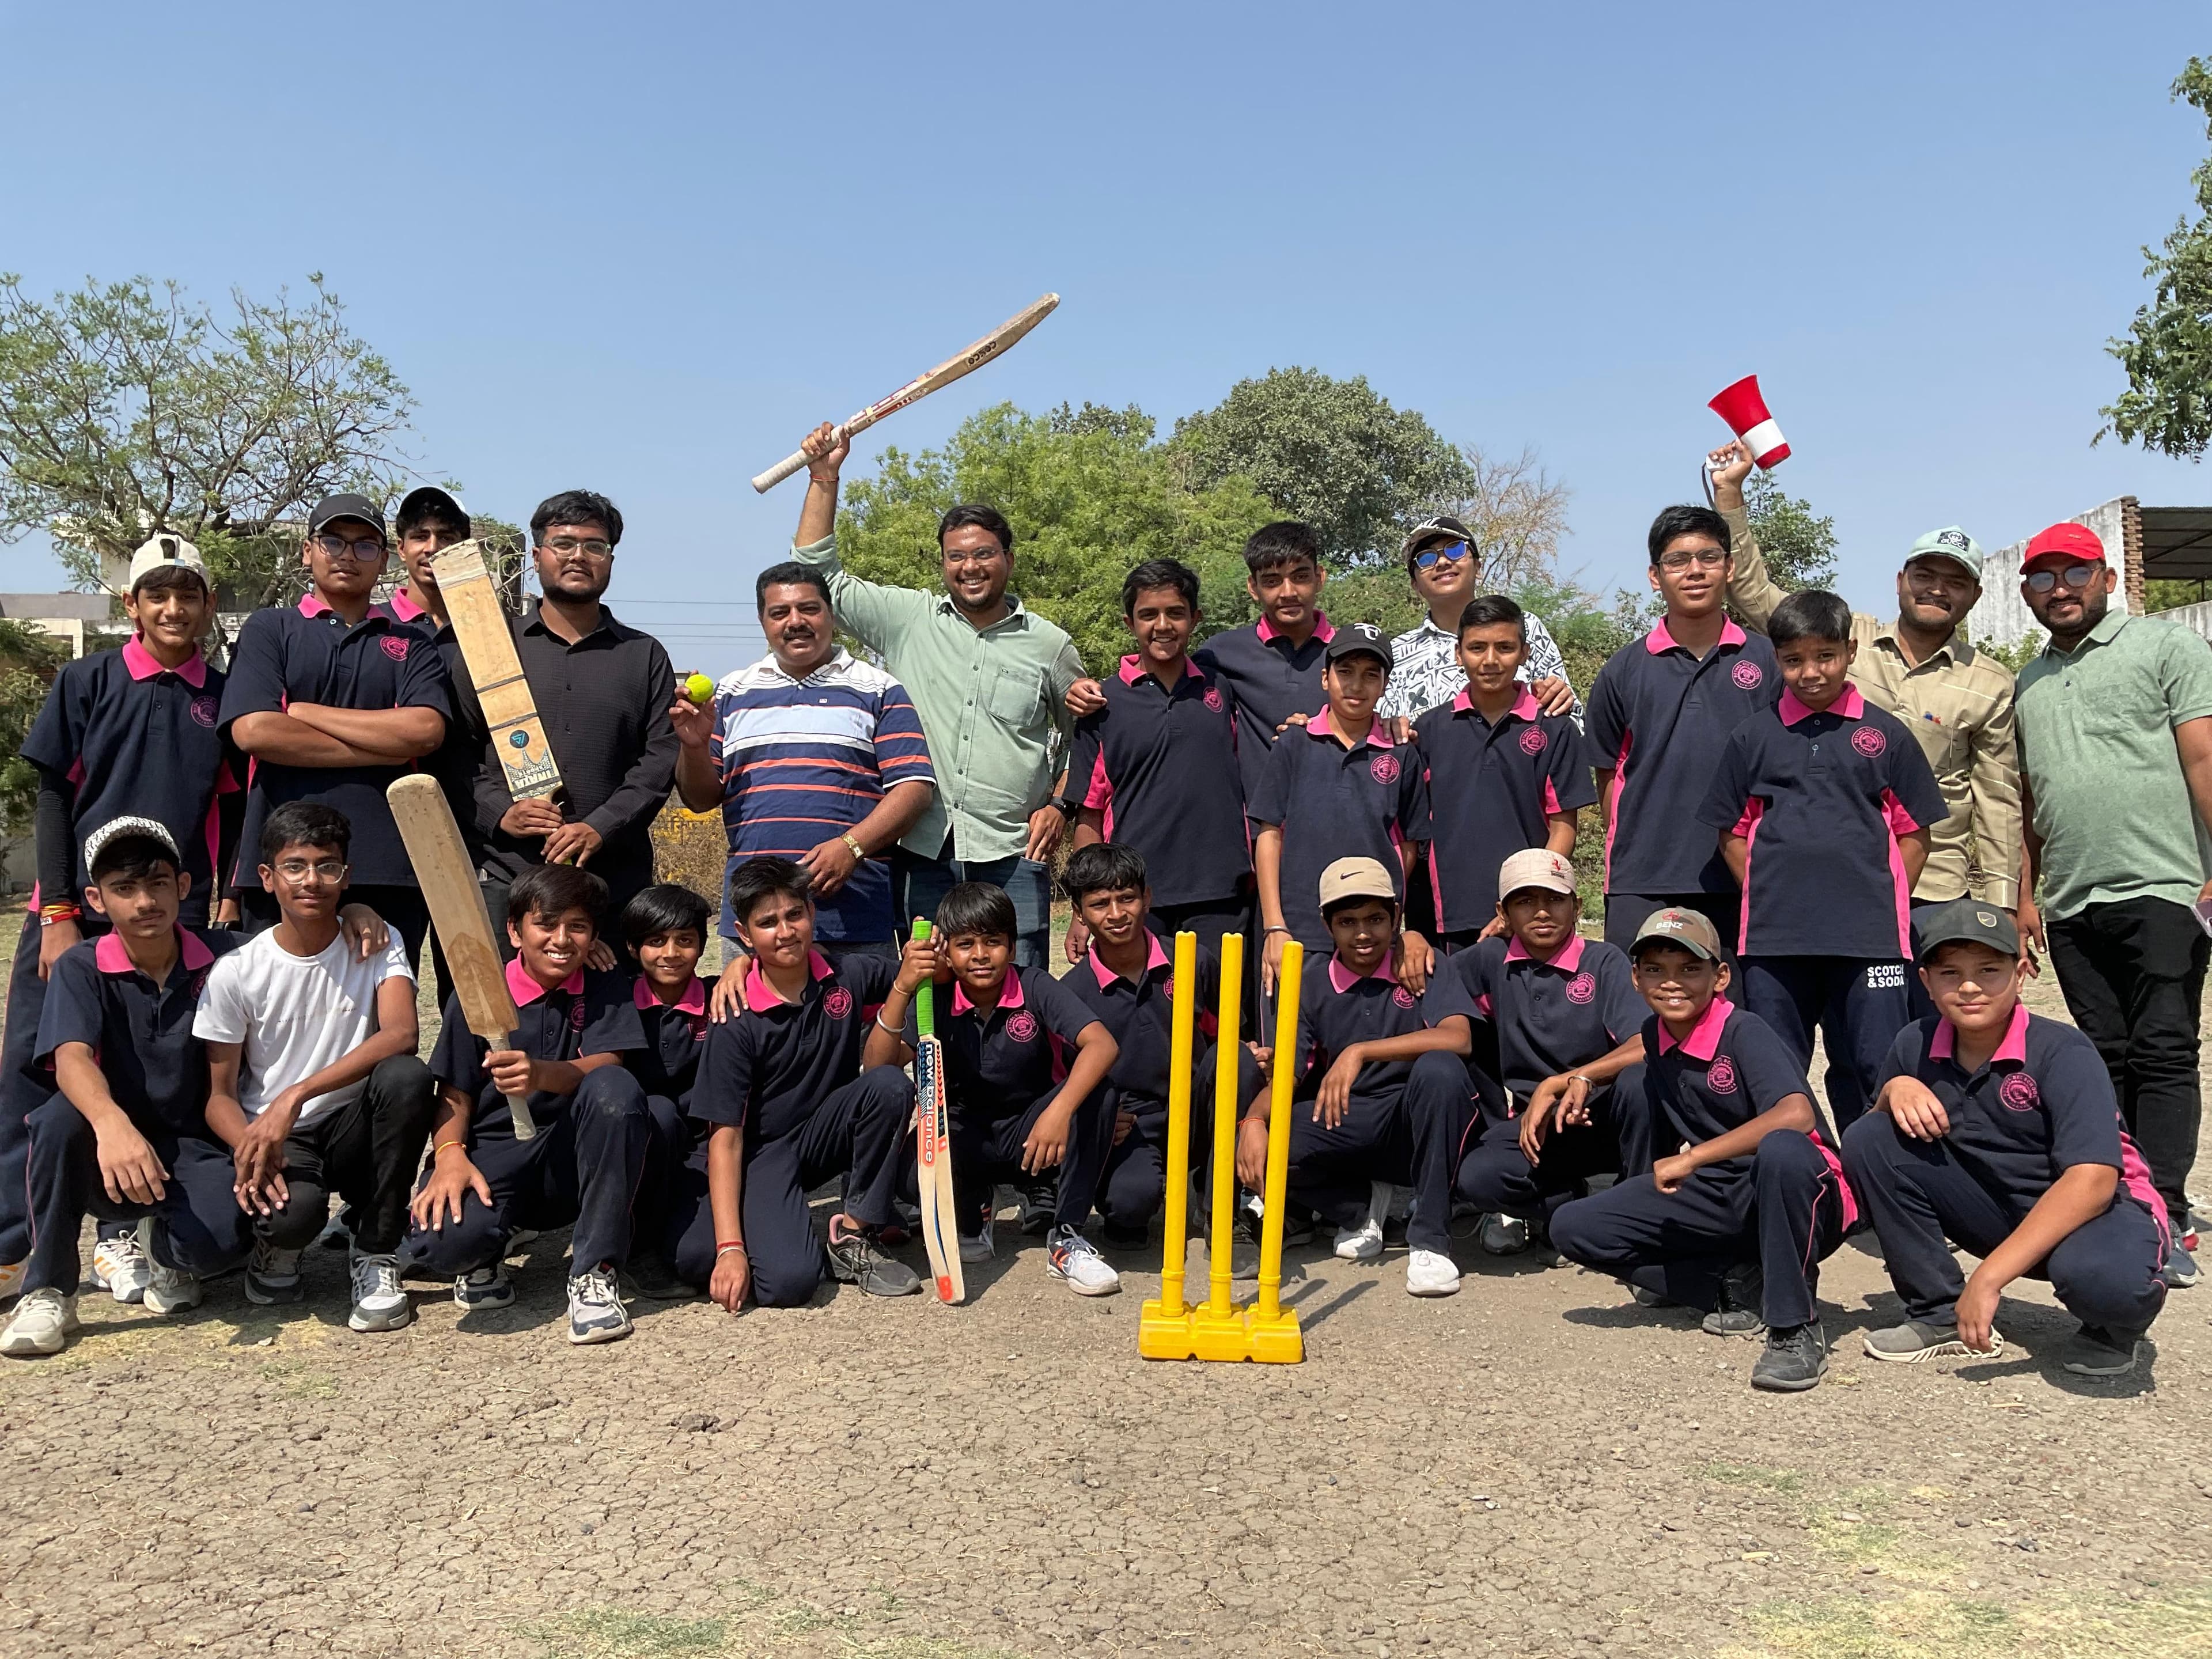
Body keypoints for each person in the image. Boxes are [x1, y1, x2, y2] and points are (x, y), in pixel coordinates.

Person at [0, 535, 244, 1302]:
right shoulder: (87, 680)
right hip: (78, 915)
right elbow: (53, 798)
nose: (174, 609)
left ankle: (139, 1231)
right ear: (132, 606)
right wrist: (63, 910)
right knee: (34, 1084)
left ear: (207, 605)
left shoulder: (224, 695)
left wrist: (227, 895)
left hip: (178, 916)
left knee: (165, 1078)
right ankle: (19, 1250)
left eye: (189, 594)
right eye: (157, 595)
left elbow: (231, 807)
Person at [1713, 443, 2022, 974]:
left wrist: (2001, 911)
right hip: (1835, 887)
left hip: (1936, 888)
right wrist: (1730, 495)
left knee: (1918, 1042)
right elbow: (1754, 592)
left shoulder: (1989, 683)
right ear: (1901, 581)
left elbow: (1998, 801)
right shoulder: (1840, 636)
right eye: (1926, 575)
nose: (1937, 590)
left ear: (1973, 595)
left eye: (1955, 582)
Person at [786, 425, 1084, 968]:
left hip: (1012, 853)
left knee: (1018, 1000)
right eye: (956, 557)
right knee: (930, 995)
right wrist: (824, 475)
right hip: (920, 849)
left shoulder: (1050, 645)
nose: (970, 567)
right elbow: (815, 575)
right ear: (943, 563)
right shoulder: (908, 620)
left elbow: (1085, 737)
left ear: (1009, 560)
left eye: (984, 554)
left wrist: (1061, 804)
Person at [1844, 899, 2170, 1377]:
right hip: (1995, 1206)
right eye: (1950, 973)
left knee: (2106, 1285)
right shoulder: (1913, 1042)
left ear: (2020, 974)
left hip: (2096, 1211)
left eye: (1989, 970)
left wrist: (1989, 1277)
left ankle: (2115, 1329)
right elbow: (1871, 1142)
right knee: (1870, 1136)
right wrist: (1894, 1089)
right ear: (1926, 982)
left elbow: (2095, 1179)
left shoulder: (2063, 1051)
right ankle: (1938, 1313)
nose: (1970, 987)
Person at [2013, 519, 2212, 1289]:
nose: (2058, 589)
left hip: (2164, 882)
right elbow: (2032, 800)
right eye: (2042, 578)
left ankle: (2164, 1211)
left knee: (2162, 1044)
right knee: (2105, 1054)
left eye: (2074, 573)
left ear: (2109, 578)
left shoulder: (2168, 649)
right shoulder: (2029, 682)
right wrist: (2028, 896)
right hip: (2070, 897)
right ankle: (2121, 1195)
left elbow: (2202, 754)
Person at [1550, 907, 1853, 1394]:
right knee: (1573, 1227)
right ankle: (1732, 1289)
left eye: (1691, 969)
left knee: (1780, 1149)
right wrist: (1580, 1079)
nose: (1673, 983)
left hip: (1801, 1191)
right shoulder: (1656, 1032)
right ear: (1635, 978)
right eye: (1656, 969)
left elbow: (1797, 1116)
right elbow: (1631, 1058)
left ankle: (1796, 1327)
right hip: (1722, 1188)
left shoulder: (1745, 1031)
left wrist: (1691, 1157)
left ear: (1720, 977)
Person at [1697, 590, 1948, 1130]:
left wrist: (1885, 899)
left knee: (1874, 1066)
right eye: (1793, 660)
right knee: (1776, 1070)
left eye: (1825, 656)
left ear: (1850, 650)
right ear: (1778, 660)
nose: (1811, 672)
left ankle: (1874, 1183)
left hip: (1870, 939)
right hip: (1774, 941)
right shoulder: (1752, 737)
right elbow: (1732, 834)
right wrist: (1764, 893)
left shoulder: (1885, 735)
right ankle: (1810, 1181)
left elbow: (1914, 832)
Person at [1, 821, 248, 1356]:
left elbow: (302, 940)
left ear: (184, 885)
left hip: (190, 1144)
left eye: (158, 883)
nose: (145, 902)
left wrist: (356, 916)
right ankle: (48, 1289)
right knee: (57, 1119)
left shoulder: (228, 955)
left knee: (223, 1244)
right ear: (95, 898)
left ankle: (160, 1248)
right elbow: (69, 1057)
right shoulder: (82, 965)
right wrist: (113, 1126)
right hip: (108, 1147)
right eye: (124, 888)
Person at [193, 802, 435, 1332]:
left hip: (352, 1123)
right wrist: (251, 1148)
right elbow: (218, 1096)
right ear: (267, 877)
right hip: (283, 1136)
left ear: (346, 877)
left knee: (407, 1077)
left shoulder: (377, 940)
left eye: (327, 866)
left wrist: (296, 1094)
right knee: (291, 1218)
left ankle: (376, 1251)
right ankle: (276, 1249)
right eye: (295, 866)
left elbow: (402, 1034)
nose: (312, 880)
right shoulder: (237, 971)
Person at [400, 865, 651, 1346]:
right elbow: (454, 1093)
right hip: (495, 1155)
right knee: (443, 1245)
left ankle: (594, 1271)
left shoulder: (602, 982)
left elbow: (609, 1062)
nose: (561, 939)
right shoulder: (475, 997)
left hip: (567, 1158)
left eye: (577, 927)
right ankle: (489, 1244)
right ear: (515, 931)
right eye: (547, 924)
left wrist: (539, 1073)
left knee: (617, 1091)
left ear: (594, 935)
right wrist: (449, 1153)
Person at [218, 492, 450, 967]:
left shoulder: (412, 642)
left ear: (384, 560)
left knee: (377, 1019)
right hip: (282, 860)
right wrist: (385, 747)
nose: (348, 555)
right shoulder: (270, 629)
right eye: (333, 542)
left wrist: (304, 713)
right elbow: (256, 732)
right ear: (308, 551)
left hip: (387, 864)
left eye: (365, 545)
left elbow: (425, 732)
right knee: (279, 1016)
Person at [672, 559, 934, 978]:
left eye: (809, 609)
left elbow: (915, 789)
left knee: (862, 1039)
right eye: (780, 613)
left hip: (854, 915)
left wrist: (852, 847)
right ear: (763, 622)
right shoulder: (731, 693)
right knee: (757, 1038)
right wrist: (694, 747)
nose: (795, 622)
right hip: (754, 919)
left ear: (830, 615)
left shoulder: (879, 688)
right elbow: (700, 798)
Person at [681, 857, 921, 1309]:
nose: (786, 931)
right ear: (746, 935)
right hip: (760, 1155)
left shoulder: (846, 976)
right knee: (784, 1282)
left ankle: (851, 1234)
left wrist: (920, 961)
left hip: (818, 1138)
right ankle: (756, 1228)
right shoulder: (734, 1017)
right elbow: (726, 1138)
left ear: (812, 913)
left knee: (889, 1085)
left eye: (794, 914)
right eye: (767, 923)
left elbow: (930, 975)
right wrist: (731, 1249)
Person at [1240, 858, 1480, 1298]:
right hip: (1347, 1121)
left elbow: (1459, 1038)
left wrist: (1360, 1051)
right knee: (1265, 1141)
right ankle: (1358, 1208)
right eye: (1348, 921)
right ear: (1327, 924)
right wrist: (1253, 1123)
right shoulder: (1311, 982)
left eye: (1375, 919)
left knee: (1441, 1069)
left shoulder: (1421, 964)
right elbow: (1288, 1075)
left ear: (1396, 917)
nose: (1364, 933)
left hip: (1415, 1121)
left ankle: (1430, 1241)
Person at [866, 883, 1122, 1295]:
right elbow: (877, 1068)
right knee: (907, 1174)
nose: (981, 955)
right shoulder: (935, 999)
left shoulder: (1034, 985)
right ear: (946, 953)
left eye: (993, 942)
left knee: (1100, 1092)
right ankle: (975, 1209)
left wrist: (1058, 1113)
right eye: (965, 944)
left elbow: (1102, 1044)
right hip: (966, 1138)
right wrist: (904, 986)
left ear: (1013, 947)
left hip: (1035, 1137)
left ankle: (1066, 1237)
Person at [469, 490, 679, 928]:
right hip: (507, 875)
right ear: (537, 554)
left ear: (610, 560)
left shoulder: (644, 655)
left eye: (594, 546)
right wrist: (500, 811)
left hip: (613, 882)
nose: (578, 556)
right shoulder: (492, 648)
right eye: (563, 543)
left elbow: (659, 760)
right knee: (497, 999)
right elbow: (459, 752)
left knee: (614, 1000)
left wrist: (601, 826)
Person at [1425, 850, 1647, 1259]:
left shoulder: (1604, 961)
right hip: (1538, 1126)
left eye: (1555, 900)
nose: (1542, 913)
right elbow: (1433, 974)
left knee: (1642, 1081)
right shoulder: (1493, 960)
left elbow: (1645, 1043)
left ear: (1577, 906)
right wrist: (1411, 940)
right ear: (1503, 912)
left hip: (1605, 1116)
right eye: (1525, 902)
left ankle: (1634, 1218)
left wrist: (1571, 1080)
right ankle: (1566, 1206)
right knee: (1474, 1178)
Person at [1585, 504, 1781, 956]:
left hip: (1743, 873)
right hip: (1643, 876)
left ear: (1730, 568)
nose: (1695, 571)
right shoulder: (1623, 670)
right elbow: (1609, 777)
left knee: (1735, 1015)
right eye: (1677, 561)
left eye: (1709, 558)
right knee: (1638, 1015)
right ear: (1656, 576)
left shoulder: (1768, 662)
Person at [1057, 843, 1258, 1253]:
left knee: (1236, 1058)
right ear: (1079, 913)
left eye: (1127, 898)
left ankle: (1221, 1210)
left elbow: (1230, 1035)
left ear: (1147, 897)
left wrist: (1248, 1058)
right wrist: (1098, 1120)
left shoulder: (1192, 960)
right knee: (1129, 1205)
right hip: (1133, 1125)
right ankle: (1144, 1195)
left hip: (1197, 1112)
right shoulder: (1070, 993)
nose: (1116, 914)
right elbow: (1061, 1080)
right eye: (1099, 904)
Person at [1067, 558, 1251, 952]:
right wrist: (1086, 907)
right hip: (1135, 898)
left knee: (1223, 1012)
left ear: (1195, 619)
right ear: (1129, 623)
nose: (1162, 625)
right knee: (1148, 1012)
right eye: (1148, 615)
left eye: (1175, 613)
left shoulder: (1225, 690)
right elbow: (1090, 814)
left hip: (1224, 890)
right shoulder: (1102, 704)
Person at [1249, 623, 1431, 995]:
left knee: (1363, 1039)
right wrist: (1275, 926)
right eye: (1345, 672)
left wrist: (1382, 905)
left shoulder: (1402, 753)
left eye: (1370, 675)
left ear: (1384, 685)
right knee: (1290, 1049)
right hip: (1298, 930)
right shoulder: (1294, 743)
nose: (1356, 685)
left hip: (1372, 935)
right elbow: (1268, 834)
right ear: (1324, 678)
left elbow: (1410, 844)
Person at [1411, 596, 1595, 950]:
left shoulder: (1555, 729)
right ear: (1458, 653)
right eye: (1477, 648)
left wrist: (1524, 901)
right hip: (1448, 917)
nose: (1491, 660)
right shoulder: (1431, 730)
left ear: (1525, 653)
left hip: (1530, 921)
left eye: (1505, 647)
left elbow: (1563, 827)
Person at [1376, 513, 1580, 724]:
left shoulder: (1526, 626)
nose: (1443, 562)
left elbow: (1572, 716)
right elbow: (1380, 733)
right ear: (1415, 585)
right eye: (1427, 558)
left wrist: (1561, 700)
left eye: (1455, 550)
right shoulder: (1395, 654)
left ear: (1478, 568)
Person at [1188, 522, 1335, 810]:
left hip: (1336, 820)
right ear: (1253, 587)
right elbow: (1166, 692)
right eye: (1272, 581)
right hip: (1256, 828)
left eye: (1301, 576)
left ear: (1320, 578)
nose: (1288, 592)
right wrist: (1089, 691)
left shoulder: (1350, 654)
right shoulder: (1221, 653)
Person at [615, 883, 717, 1301]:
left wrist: (744, 966)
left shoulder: (722, 997)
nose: (671, 953)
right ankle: (635, 1245)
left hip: (703, 1150)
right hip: (641, 1148)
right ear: (632, 947)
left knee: (700, 1260)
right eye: (655, 941)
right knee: (656, 1110)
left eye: (685, 941)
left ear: (701, 945)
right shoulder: (614, 1001)